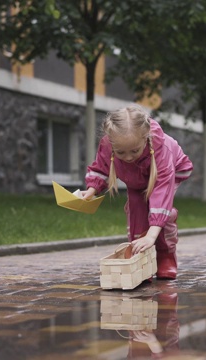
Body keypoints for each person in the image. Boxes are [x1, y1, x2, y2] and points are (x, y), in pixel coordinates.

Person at [81, 104, 193, 279]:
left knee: (160, 211)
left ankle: (166, 255)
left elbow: (162, 191)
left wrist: (151, 235)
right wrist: (91, 191)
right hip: (136, 179)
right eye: (120, 152)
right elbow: (101, 168)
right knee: (136, 211)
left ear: (146, 138)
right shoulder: (107, 144)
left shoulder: (162, 149)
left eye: (134, 151)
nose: (128, 157)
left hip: (170, 172)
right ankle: (141, 261)